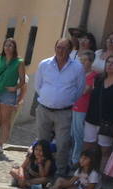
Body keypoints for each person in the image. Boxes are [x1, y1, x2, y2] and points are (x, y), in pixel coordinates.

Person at [32, 38, 85, 178]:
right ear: (55, 48)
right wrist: (48, 97)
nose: (61, 51)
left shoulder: (77, 67)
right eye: (59, 47)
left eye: (65, 48)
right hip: (44, 109)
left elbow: (79, 90)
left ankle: (60, 173)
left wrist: (64, 100)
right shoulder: (44, 64)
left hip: (64, 112)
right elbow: (38, 85)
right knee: (42, 144)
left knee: (63, 145)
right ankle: (39, 170)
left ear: (70, 50)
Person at [0, 37, 26, 154]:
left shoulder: (19, 62)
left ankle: (0, 145)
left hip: (8, 93)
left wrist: (15, 88)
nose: (7, 48)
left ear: (14, 48)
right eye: (6, 45)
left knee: (5, 120)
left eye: (10, 46)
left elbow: (22, 80)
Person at [69, 50, 98, 168]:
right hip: (73, 106)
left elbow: (85, 90)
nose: (82, 63)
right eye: (81, 60)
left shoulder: (93, 75)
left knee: (78, 135)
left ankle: (76, 160)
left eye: (85, 60)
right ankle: (71, 158)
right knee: (71, 134)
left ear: (91, 62)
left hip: (83, 109)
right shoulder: (78, 74)